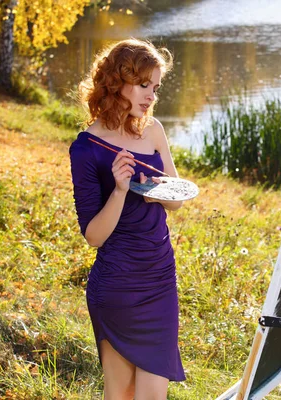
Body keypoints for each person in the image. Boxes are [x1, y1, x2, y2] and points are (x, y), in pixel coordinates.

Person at [69, 38, 185, 400]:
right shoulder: (86, 148)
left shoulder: (153, 131)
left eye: (155, 87)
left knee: (153, 394)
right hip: (118, 284)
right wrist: (120, 190)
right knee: (120, 393)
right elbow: (94, 236)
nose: (151, 96)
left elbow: (175, 202)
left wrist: (156, 187)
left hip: (159, 276)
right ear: (116, 82)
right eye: (143, 85)